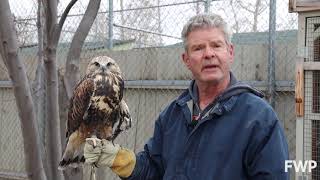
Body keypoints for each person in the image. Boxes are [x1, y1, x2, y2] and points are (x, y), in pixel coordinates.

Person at [84, 13, 289, 180]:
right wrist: (119, 159)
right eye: (198, 48)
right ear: (186, 60)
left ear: (230, 52)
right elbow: (153, 170)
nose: (209, 54)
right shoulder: (173, 114)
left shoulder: (258, 117)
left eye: (216, 45)